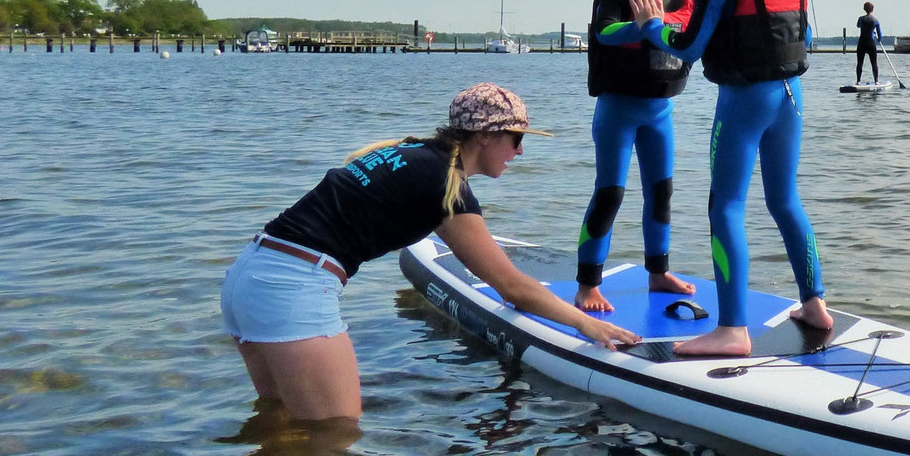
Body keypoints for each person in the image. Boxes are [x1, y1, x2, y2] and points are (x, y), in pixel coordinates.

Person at [219, 83, 640, 422]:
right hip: (293, 289)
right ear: (486, 135)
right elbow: (512, 286)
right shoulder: (444, 182)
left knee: (278, 423)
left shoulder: (409, 153)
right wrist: (588, 326)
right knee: (334, 439)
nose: (520, 151)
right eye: (516, 139)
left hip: (250, 276)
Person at [627, 0, 832, 356]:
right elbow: (803, 29)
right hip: (791, 94)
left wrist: (653, 26)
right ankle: (815, 304)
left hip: (745, 100)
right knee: (786, 200)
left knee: (726, 206)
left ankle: (732, 330)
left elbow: (692, 45)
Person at [575, 0, 702, 313]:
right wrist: (643, 25)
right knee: (610, 193)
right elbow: (605, 32)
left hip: (659, 111)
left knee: (661, 193)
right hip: (618, 109)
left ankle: (658, 272)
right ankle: (587, 284)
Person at [855, 2, 884, 84]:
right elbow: (880, 35)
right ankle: (876, 81)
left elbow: (858, 25)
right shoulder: (875, 20)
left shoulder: (861, 19)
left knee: (860, 62)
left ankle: (858, 81)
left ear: (864, 9)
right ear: (872, 9)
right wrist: (878, 39)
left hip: (862, 42)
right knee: (874, 62)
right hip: (870, 42)